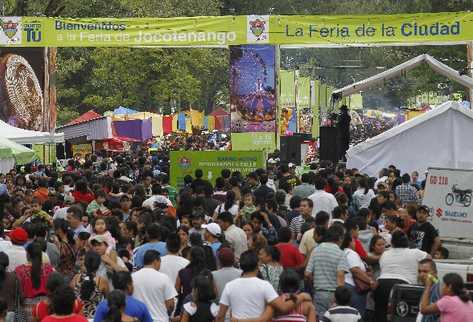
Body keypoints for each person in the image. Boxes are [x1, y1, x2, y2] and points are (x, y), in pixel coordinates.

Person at [216, 250, 309, 322]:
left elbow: (220, 316)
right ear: (257, 266)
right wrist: (302, 296)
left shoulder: (229, 286)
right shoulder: (264, 285)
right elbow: (283, 307)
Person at [375, 230, 429, 322]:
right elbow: (429, 260)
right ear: (407, 242)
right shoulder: (415, 252)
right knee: (402, 316)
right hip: (403, 285)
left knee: (381, 315)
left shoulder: (385, 254)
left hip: (381, 285)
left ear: (392, 243)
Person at [304, 224, 348, 318]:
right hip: (334, 296)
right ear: (340, 238)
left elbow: (307, 273)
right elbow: (340, 277)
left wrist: (316, 282)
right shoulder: (341, 253)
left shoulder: (316, 250)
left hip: (318, 293)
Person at [132, 250, 177, 322]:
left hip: (139, 319)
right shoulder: (164, 278)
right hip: (160, 319)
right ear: (156, 261)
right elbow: (170, 304)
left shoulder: (132, 277)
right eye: (160, 262)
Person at [340, 231, 375, 316]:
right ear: (349, 242)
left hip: (346, 286)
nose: (355, 243)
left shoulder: (342, 252)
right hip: (354, 289)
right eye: (353, 240)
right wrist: (370, 281)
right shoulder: (351, 253)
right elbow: (355, 270)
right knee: (356, 315)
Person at [72, 251, 108, 319]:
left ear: (85, 263)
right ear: (98, 265)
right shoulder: (101, 281)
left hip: (79, 318)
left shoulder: (76, 278)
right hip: (95, 318)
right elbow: (107, 300)